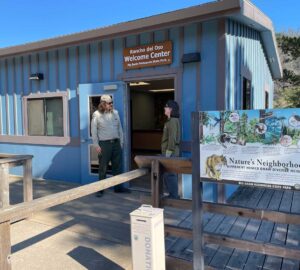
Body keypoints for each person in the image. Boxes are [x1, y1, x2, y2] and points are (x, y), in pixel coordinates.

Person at [91, 94, 130, 197]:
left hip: (116, 143)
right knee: (103, 168)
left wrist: (121, 143)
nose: (111, 104)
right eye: (109, 103)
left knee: (117, 167)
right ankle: (100, 189)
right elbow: (94, 131)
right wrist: (96, 145)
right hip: (104, 144)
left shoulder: (115, 113)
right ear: (103, 104)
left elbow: (120, 129)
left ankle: (118, 188)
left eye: (112, 102)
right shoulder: (96, 115)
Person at [161, 100, 181, 199]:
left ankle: (174, 196)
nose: (164, 108)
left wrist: (168, 153)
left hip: (171, 153)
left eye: (166, 107)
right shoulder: (170, 121)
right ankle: (172, 194)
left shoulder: (172, 121)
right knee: (168, 174)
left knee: (170, 175)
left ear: (171, 109)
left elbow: (172, 138)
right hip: (169, 152)